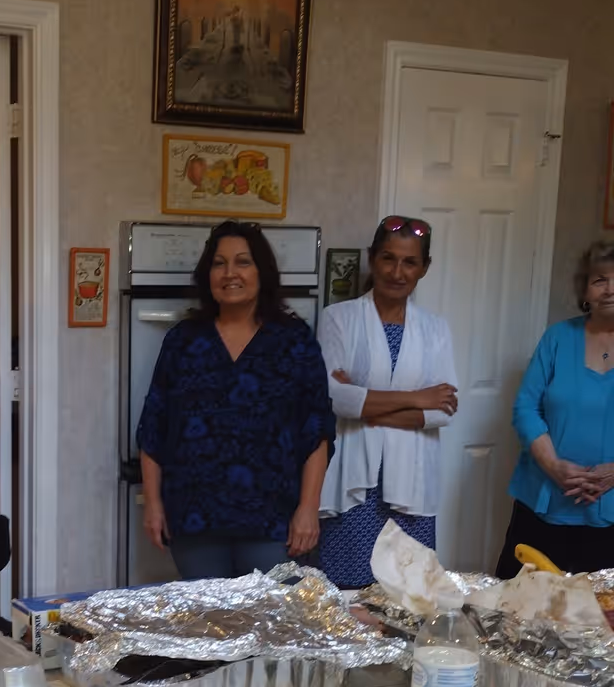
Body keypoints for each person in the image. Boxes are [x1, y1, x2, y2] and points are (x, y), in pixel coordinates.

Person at [136, 219, 335, 580]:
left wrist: (308, 507)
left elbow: (317, 429)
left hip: (272, 521)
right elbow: (154, 425)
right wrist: (153, 503)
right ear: (207, 274)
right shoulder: (183, 341)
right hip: (195, 522)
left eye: (243, 262)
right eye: (219, 263)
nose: (230, 273)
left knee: (273, 625)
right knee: (209, 627)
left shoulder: (293, 341)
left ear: (262, 272)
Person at [315, 216, 458, 589]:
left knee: (409, 596)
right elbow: (334, 399)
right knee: (348, 597)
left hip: (412, 481)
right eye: (388, 258)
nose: (397, 271)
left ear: (424, 268)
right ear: (372, 259)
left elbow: (442, 411)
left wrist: (366, 403)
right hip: (354, 481)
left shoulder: (435, 328)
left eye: (409, 262)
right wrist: (416, 398)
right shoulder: (339, 319)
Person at [494, 239, 614, 577]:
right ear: (585, 290)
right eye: (600, 279)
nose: (610, 289)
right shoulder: (557, 338)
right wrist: (554, 466)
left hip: (610, 514)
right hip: (544, 501)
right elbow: (525, 408)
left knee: (600, 618)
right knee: (520, 609)